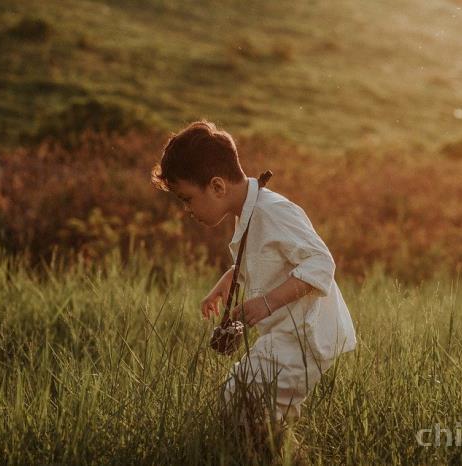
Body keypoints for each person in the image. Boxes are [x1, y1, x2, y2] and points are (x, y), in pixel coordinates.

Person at [151, 120, 357, 428]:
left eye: (187, 199)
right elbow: (264, 258)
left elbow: (320, 263)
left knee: (243, 402)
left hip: (307, 337)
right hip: (287, 335)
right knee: (246, 402)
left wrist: (267, 303)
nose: (187, 210)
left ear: (217, 186)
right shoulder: (248, 210)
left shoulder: (272, 211)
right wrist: (225, 283)